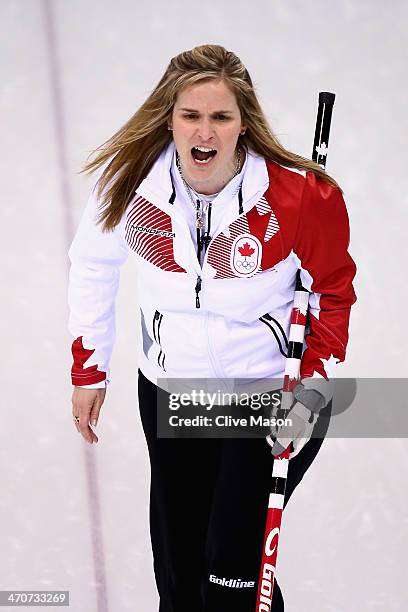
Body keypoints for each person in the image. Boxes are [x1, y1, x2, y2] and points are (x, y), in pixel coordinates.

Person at [68, 44, 357, 611]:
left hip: (270, 398)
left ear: (242, 122)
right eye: (191, 115)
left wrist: (311, 386)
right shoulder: (129, 186)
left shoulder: (298, 198)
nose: (206, 132)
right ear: (169, 117)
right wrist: (89, 369)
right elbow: (93, 266)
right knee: (181, 585)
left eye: (221, 117)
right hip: (174, 396)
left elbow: (333, 294)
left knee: (231, 579)